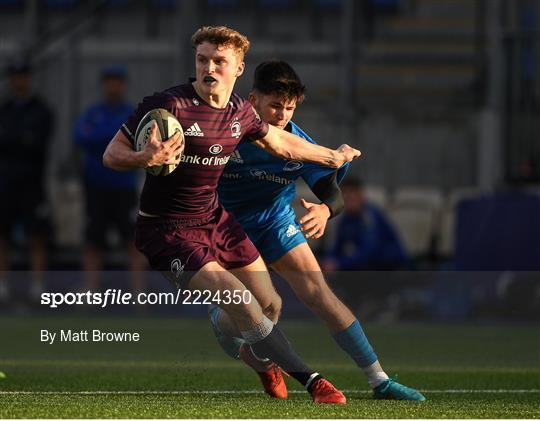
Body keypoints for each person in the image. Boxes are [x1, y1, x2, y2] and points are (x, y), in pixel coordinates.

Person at [103, 26, 361, 404]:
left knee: (271, 305)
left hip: (215, 221)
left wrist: (331, 156)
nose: (209, 68)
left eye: (219, 61)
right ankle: (313, 382)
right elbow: (111, 155)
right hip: (168, 230)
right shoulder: (168, 106)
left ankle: (259, 358)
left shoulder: (240, 112)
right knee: (238, 299)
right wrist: (144, 157)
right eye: (202, 59)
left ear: (238, 68)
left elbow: (281, 144)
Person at [212, 60, 425, 401]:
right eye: (275, 106)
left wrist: (325, 210)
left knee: (320, 294)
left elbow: (332, 193)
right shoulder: (225, 133)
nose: (282, 115)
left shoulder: (299, 143)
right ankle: (228, 329)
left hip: (274, 223)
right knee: (263, 308)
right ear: (253, 99)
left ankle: (379, 380)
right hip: (224, 228)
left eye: (290, 108)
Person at [74, 66, 145, 293]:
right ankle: (91, 293)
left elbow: (137, 140)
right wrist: (116, 137)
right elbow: (81, 137)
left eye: (117, 81)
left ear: (123, 84)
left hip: (124, 187)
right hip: (96, 186)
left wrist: (106, 138)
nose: (113, 86)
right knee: (93, 242)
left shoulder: (133, 113)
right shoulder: (93, 112)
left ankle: (139, 297)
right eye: (109, 81)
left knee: (132, 242)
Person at [0, 58, 54, 302]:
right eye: (14, 76)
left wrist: (14, 140)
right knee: (3, 234)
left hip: (33, 182)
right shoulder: (5, 109)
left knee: (37, 235)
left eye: (22, 76)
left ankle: (37, 287)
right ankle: (3, 285)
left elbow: (36, 144)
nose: (18, 81)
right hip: (6, 182)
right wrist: (20, 140)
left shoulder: (41, 110)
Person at [323, 177, 410, 271]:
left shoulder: (370, 216)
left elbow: (369, 250)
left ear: (361, 196)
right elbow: (337, 246)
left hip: (390, 267)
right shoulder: (345, 219)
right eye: (346, 196)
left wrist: (339, 264)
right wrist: (329, 261)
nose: (349, 199)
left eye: (353, 196)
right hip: (367, 265)